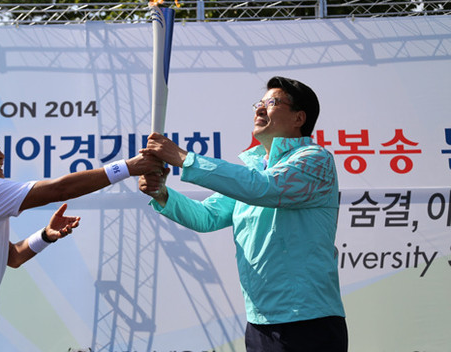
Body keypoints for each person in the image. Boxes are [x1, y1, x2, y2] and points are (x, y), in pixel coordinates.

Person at [0, 118, 162, 352]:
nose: (1, 154)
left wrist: (45, 236)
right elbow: (60, 189)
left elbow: (12, 257)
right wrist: (128, 167)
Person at [139, 76, 348, 352]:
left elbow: (265, 188)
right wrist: (162, 193)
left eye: (271, 103)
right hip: (260, 321)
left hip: (308, 320)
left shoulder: (314, 159)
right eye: (259, 103)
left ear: (299, 118)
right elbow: (207, 216)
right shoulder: (254, 170)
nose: (260, 109)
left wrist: (183, 158)